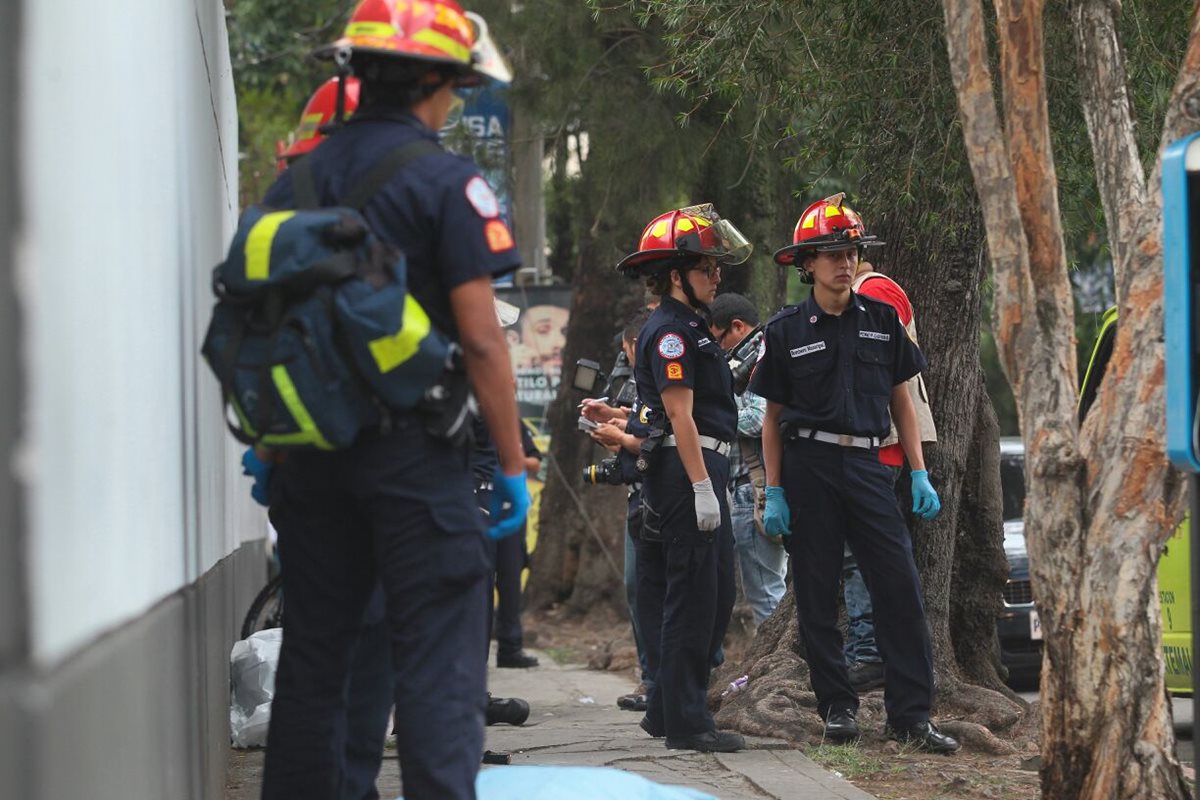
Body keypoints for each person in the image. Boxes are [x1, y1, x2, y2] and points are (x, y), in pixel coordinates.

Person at [257, 3, 532, 798]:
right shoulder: (446, 181)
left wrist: (273, 452)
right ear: (435, 81)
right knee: (438, 663)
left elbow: (275, 327)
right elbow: (482, 339)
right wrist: (512, 464)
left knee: (314, 661)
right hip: (415, 460)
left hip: (311, 458)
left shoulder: (295, 179)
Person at [751, 193, 958, 753]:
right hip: (808, 467)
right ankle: (837, 707)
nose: (844, 261)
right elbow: (771, 420)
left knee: (900, 588)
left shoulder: (882, 320)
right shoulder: (787, 329)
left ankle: (911, 717)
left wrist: (919, 472)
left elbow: (902, 404)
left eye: (850, 250)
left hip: (868, 465)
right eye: (830, 252)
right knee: (817, 595)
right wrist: (774, 489)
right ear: (806, 264)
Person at [615, 204, 752, 753]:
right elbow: (679, 417)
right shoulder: (671, 333)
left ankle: (665, 709)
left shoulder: (691, 326)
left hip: (700, 466)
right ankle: (688, 723)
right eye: (705, 267)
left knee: (712, 594)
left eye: (717, 267)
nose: (717, 276)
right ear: (676, 275)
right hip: (685, 469)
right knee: (695, 597)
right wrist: (700, 487)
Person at [841, 261, 939, 694]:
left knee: (863, 556)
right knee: (858, 554)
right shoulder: (867, 290)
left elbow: (876, 375)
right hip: (873, 442)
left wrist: (918, 470)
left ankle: (868, 652)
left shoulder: (876, 292)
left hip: (881, 444)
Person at [583, 310, 654, 711]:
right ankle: (652, 679)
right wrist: (613, 418)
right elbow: (641, 424)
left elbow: (663, 438)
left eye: (631, 351)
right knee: (637, 589)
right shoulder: (640, 384)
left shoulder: (668, 374)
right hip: (637, 497)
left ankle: (669, 681)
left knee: (658, 591)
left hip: (665, 497)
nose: (630, 360)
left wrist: (621, 438)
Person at [707, 292, 788, 628]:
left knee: (766, 594)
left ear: (737, 327)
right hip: (764, 487)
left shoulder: (758, 357)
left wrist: (708, 415)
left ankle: (780, 662)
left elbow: (757, 417)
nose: (719, 349)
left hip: (754, 488)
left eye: (719, 339)